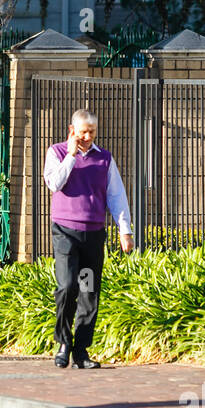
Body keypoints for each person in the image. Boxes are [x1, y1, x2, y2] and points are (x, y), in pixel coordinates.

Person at [42, 108, 135, 369]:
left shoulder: (104, 158)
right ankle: (63, 344)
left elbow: (116, 194)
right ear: (72, 130)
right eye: (83, 131)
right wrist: (71, 155)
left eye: (92, 132)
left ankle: (81, 351)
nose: (87, 136)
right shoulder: (56, 152)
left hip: (93, 234)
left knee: (88, 291)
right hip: (65, 232)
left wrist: (124, 230)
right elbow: (54, 184)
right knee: (68, 286)